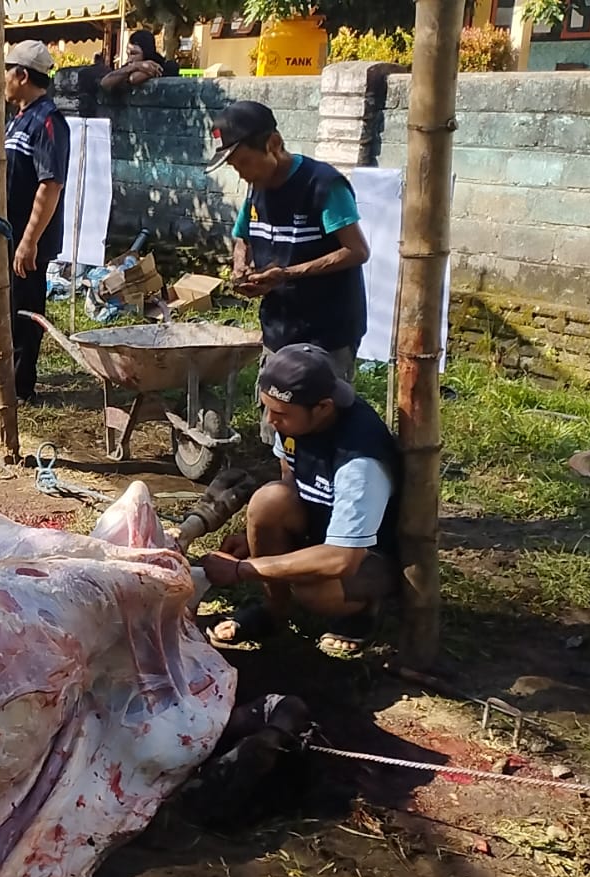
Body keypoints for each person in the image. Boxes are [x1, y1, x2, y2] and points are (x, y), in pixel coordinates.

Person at [201, 344, 400, 657]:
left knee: (314, 590)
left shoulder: (360, 462)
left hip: (366, 557)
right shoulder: (296, 420)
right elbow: (289, 487)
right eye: (266, 408)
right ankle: (274, 610)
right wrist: (256, 538)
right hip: (323, 536)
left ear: (322, 408)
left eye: (279, 414)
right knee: (268, 500)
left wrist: (245, 569)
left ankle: (361, 611)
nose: (270, 420)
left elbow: (341, 558)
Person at [209, 101, 370, 370]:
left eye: (245, 162)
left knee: (316, 409)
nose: (242, 174)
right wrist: (240, 265)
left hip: (326, 334)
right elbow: (243, 237)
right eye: (235, 168)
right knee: (275, 407)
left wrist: (286, 274)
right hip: (278, 328)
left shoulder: (323, 185)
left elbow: (357, 251)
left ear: (274, 143)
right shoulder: (257, 185)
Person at [0, 40, 68, 404]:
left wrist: (29, 241)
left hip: (22, 242)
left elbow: (50, 184)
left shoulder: (48, 122)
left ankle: (20, 386)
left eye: (6, 71)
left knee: (22, 314)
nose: (2, 79)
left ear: (22, 75)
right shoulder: (15, 120)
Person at [99, 29, 181, 92]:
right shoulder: (131, 66)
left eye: (134, 54)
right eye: (128, 54)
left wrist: (138, 67)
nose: (130, 58)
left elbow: (134, 78)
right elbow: (105, 83)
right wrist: (135, 66)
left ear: (146, 52)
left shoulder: (161, 66)